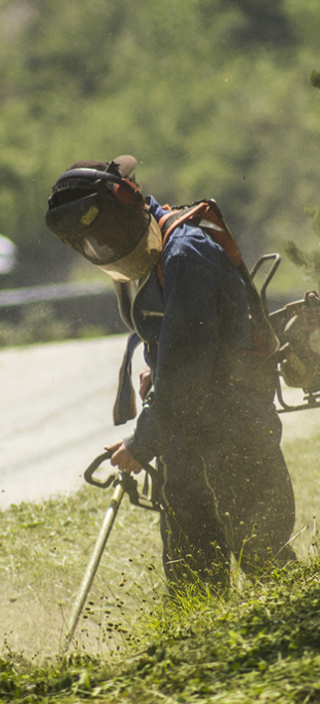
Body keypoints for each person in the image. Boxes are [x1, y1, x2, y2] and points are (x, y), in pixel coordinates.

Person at [45, 155, 296, 591]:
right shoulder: (149, 256)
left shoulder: (186, 253)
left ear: (132, 202)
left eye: (106, 234)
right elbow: (172, 353)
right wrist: (153, 390)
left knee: (262, 552)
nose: (102, 247)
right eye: (93, 242)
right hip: (190, 420)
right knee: (192, 567)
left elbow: (186, 366)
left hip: (235, 418)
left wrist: (142, 443)